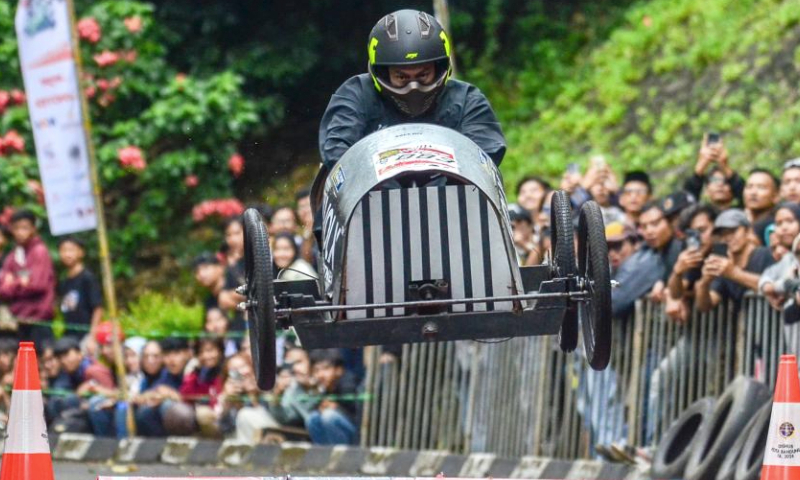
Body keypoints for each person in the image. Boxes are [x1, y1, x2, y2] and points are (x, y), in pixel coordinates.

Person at [319, 9, 505, 168]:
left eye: (423, 75)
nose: (413, 87)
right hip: (370, 201)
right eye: (402, 77)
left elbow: (487, 152)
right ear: (383, 72)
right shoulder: (356, 94)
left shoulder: (467, 99)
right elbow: (336, 149)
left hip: (453, 198)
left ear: (438, 67)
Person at [612, 201, 682, 318]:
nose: (649, 231)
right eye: (644, 227)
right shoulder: (644, 255)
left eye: (655, 224)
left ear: (670, 222)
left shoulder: (681, 247)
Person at [695, 209, 775, 311]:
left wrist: (734, 273)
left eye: (733, 231)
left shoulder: (766, 254)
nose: (728, 238)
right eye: (723, 234)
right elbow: (705, 305)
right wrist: (704, 283)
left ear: (748, 231)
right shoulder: (724, 266)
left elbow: (776, 286)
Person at [0, 209, 56, 345]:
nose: (20, 232)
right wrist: (22, 282)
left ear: (33, 229)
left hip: (39, 320)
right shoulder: (12, 256)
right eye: (17, 228)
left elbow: (37, 285)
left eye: (25, 228)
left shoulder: (39, 251)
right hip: (20, 320)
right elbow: (2, 290)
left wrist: (13, 283)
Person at [306, 349, 360, 445]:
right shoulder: (326, 386)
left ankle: (341, 457)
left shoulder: (348, 384)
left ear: (339, 370)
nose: (320, 375)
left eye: (325, 369)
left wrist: (336, 407)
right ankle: (323, 454)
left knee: (329, 416)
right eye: (316, 370)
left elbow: (357, 415)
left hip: (358, 436)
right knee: (312, 418)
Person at [57, 237, 103, 341]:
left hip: (85, 335)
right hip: (69, 335)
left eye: (71, 250)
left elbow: (98, 308)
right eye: (63, 250)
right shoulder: (64, 281)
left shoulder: (87, 278)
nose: (67, 254)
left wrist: (92, 336)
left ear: (81, 252)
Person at [683, 135, 743, 209]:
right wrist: (701, 166)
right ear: (707, 190)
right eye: (715, 180)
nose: (720, 185)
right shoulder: (700, 216)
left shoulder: (744, 213)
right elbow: (686, 200)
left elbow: (744, 194)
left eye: (726, 181)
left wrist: (725, 166)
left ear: (733, 188)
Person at [759, 204, 800, 309]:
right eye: (778, 223)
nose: (784, 228)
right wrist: (774, 288)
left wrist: (782, 287)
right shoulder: (789, 258)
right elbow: (767, 277)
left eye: (790, 221)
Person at [743, 169, 780, 245]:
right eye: (749, 187)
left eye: (761, 187)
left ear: (775, 196)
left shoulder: (778, 225)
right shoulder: (739, 220)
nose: (753, 192)